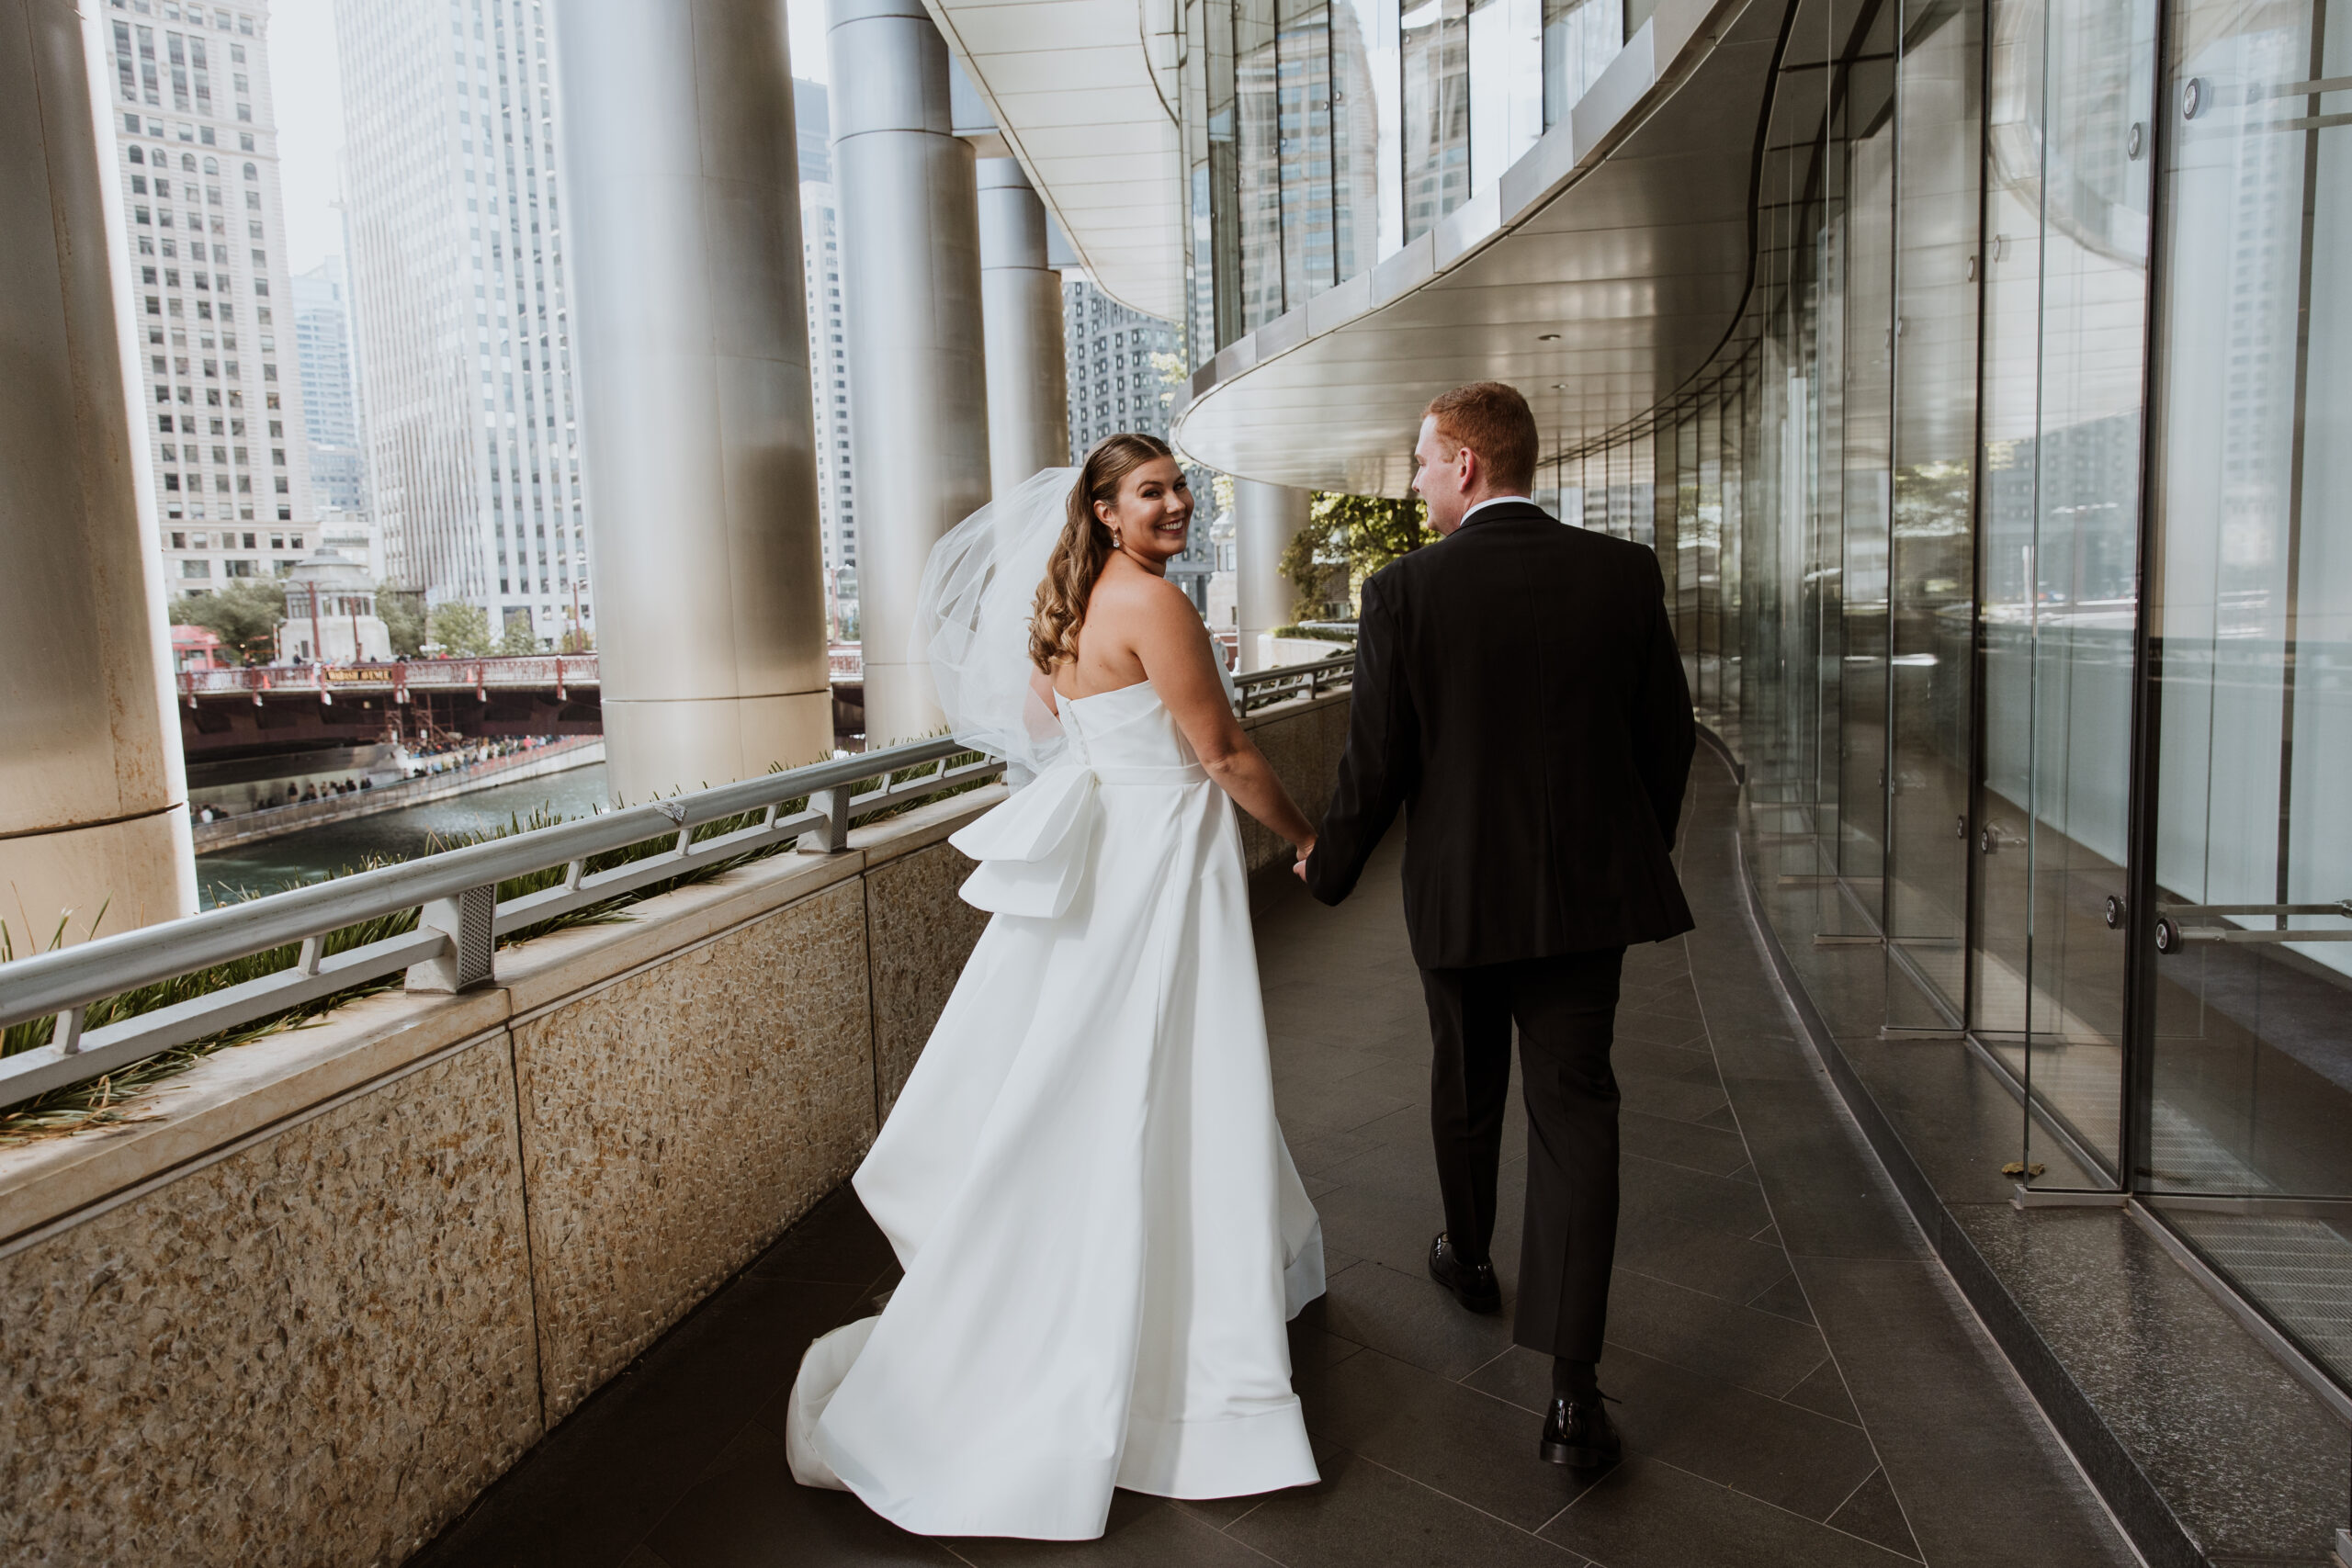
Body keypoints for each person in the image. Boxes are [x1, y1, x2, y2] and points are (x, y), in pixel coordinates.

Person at [785, 435, 1326, 1539]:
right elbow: (1220, 750)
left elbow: (1047, 730)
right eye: (1150, 491)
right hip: (1166, 847)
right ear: (1106, 510)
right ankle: (1163, 1311)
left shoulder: (1067, 605)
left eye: (1179, 487)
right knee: (1170, 1065)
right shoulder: (1154, 606)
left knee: (1112, 1067)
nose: (1175, 503)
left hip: (1115, 845)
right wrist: (1307, 837)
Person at [1298, 380, 1695, 1469]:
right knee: (1578, 1119)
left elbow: (1375, 766)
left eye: (1423, 462)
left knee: (1463, 1083)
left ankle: (1468, 1258)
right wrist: (1626, 853)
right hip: (1585, 903)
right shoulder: (1622, 573)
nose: (1417, 480)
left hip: (1461, 899)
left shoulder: (1404, 593)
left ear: (1466, 464)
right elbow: (1669, 736)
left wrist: (1323, 868)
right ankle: (1573, 1397)